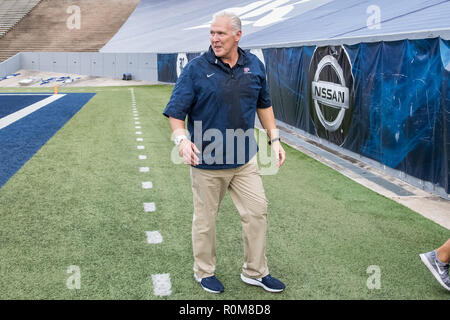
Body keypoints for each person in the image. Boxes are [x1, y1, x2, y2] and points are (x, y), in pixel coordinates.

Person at [163, 11, 286, 293]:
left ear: (237, 36)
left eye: (220, 33)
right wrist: (181, 141)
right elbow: (175, 113)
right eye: (212, 33)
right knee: (205, 220)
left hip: (244, 160)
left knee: (257, 211)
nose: (214, 39)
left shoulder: (254, 65)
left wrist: (275, 140)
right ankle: (204, 272)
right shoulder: (195, 69)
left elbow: (263, 105)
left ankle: (255, 271)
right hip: (207, 161)